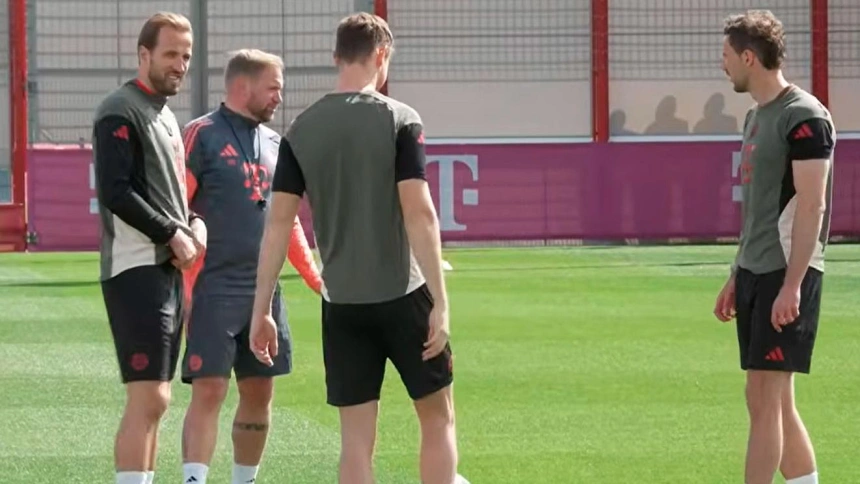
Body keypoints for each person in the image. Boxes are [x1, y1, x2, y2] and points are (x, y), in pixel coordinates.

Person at [249, 12, 468, 484]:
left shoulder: (301, 131)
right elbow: (420, 213)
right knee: (436, 417)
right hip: (404, 293)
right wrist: (441, 302)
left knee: (355, 442)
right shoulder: (400, 119)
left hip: (342, 302)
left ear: (336, 57)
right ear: (381, 55)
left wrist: (261, 308)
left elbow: (278, 226)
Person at [178, 49, 322, 484]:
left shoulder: (279, 144)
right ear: (243, 87)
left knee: (260, 390)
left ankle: (245, 480)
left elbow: (287, 221)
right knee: (210, 389)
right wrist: (185, 283)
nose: (280, 97)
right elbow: (174, 210)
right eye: (274, 87)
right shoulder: (199, 135)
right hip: (212, 290)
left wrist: (315, 277)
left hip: (266, 293)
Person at [714, 10, 835, 484]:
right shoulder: (756, 116)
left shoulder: (803, 116)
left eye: (726, 56)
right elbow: (760, 207)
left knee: (765, 397)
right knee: (769, 397)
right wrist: (736, 272)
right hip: (756, 270)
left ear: (749, 57)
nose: (721, 64)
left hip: (786, 273)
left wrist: (793, 285)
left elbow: (812, 206)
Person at [92, 12, 204, 484]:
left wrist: (194, 224)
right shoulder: (120, 108)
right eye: (170, 54)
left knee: (158, 397)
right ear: (144, 54)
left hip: (166, 269)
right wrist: (172, 234)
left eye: (186, 56)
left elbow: (173, 195)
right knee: (148, 397)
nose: (179, 64)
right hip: (135, 266)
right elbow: (117, 192)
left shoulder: (165, 115)